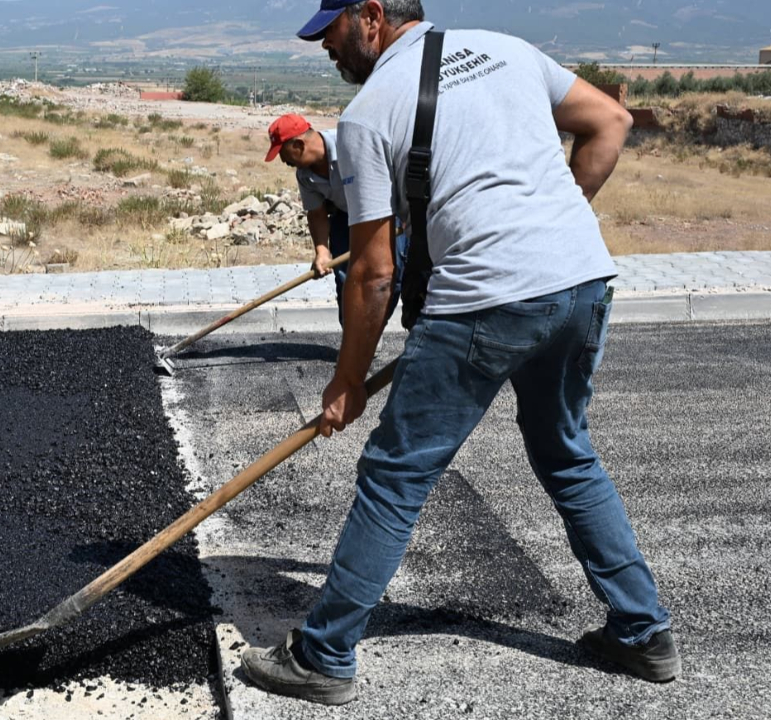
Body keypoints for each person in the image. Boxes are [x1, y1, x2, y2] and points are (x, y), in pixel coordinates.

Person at [241, 0, 677, 706]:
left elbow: (375, 273)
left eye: (332, 30)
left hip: (482, 299)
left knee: (394, 474)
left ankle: (322, 655)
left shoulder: (370, 112)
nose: (326, 47)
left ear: (372, 15)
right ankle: (643, 632)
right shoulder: (506, 48)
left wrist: (346, 379)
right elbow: (611, 122)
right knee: (566, 451)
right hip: (581, 281)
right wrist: (549, 227)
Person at [266, 113, 408, 324]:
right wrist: (322, 251)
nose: (283, 161)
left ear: (298, 145)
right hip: (346, 216)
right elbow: (317, 213)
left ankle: (371, 332)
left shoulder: (352, 147)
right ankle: (353, 339)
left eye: (283, 153)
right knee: (346, 280)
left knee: (389, 278)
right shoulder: (304, 175)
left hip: (385, 213)